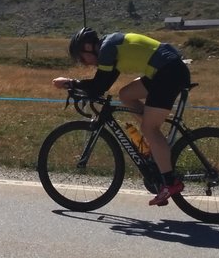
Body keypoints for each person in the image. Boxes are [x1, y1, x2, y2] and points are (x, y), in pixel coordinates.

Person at [52, 27, 191, 207]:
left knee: (149, 128)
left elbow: (98, 86)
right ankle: (156, 142)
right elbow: (103, 84)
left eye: (81, 58)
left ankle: (170, 182)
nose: (84, 63)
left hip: (168, 72)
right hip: (165, 70)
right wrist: (78, 86)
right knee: (126, 95)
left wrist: (70, 83)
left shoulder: (107, 49)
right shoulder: (110, 48)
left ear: (88, 47)